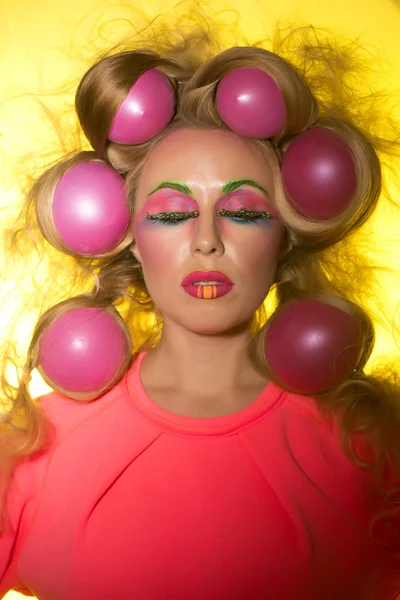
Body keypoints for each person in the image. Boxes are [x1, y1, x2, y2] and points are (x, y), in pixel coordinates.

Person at [0, 16, 399, 600]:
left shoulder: (368, 450)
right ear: (126, 232)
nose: (207, 240)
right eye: (169, 213)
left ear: (286, 233)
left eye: (243, 211)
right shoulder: (34, 450)